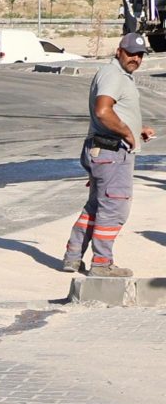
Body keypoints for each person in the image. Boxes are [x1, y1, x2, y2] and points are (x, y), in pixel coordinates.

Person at [60, 32, 154, 278]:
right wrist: (127, 133)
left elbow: (113, 112)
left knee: (96, 206)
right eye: (131, 53)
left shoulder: (114, 73)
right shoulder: (114, 75)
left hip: (102, 149)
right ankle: (102, 263)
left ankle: (73, 256)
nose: (136, 59)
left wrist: (137, 129)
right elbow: (103, 111)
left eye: (140, 55)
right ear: (119, 51)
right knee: (114, 208)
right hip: (113, 152)